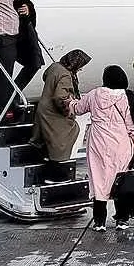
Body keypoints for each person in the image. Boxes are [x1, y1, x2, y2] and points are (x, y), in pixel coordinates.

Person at [73, 65, 134, 231]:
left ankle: (99, 222)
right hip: (120, 143)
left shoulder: (94, 94)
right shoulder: (126, 97)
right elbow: (132, 126)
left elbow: (78, 109)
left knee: (98, 181)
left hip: (98, 143)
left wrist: (69, 101)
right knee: (121, 181)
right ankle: (122, 220)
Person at [33, 49, 91, 183]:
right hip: (53, 113)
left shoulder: (55, 66)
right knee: (65, 139)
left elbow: (45, 76)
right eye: (80, 66)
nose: (80, 69)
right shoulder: (66, 75)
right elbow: (60, 97)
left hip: (43, 108)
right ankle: (56, 176)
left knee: (51, 142)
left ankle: (48, 168)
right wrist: (69, 109)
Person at [14, 0, 44, 89]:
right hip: (6, 38)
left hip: (23, 39)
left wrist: (28, 10)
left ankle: (13, 93)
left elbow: (33, 23)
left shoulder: (26, 4)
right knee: (4, 69)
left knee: (34, 64)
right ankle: (9, 95)